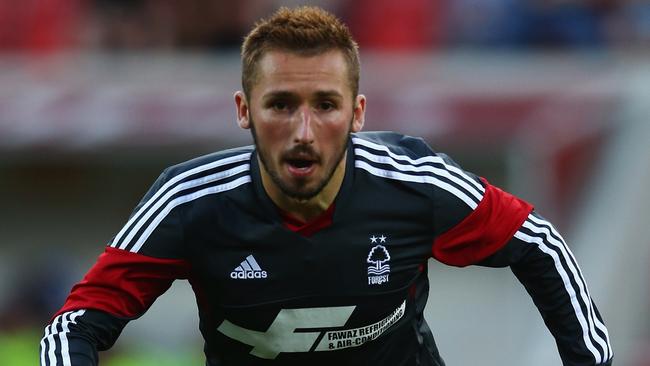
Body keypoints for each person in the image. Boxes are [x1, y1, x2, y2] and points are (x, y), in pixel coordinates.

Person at [39, 6, 613, 366]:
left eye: (326, 105)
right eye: (281, 105)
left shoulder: (415, 185)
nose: (304, 132)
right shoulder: (191, 202)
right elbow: (75, 325)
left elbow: (541, 246)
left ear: (358, 112)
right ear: (244, 110)